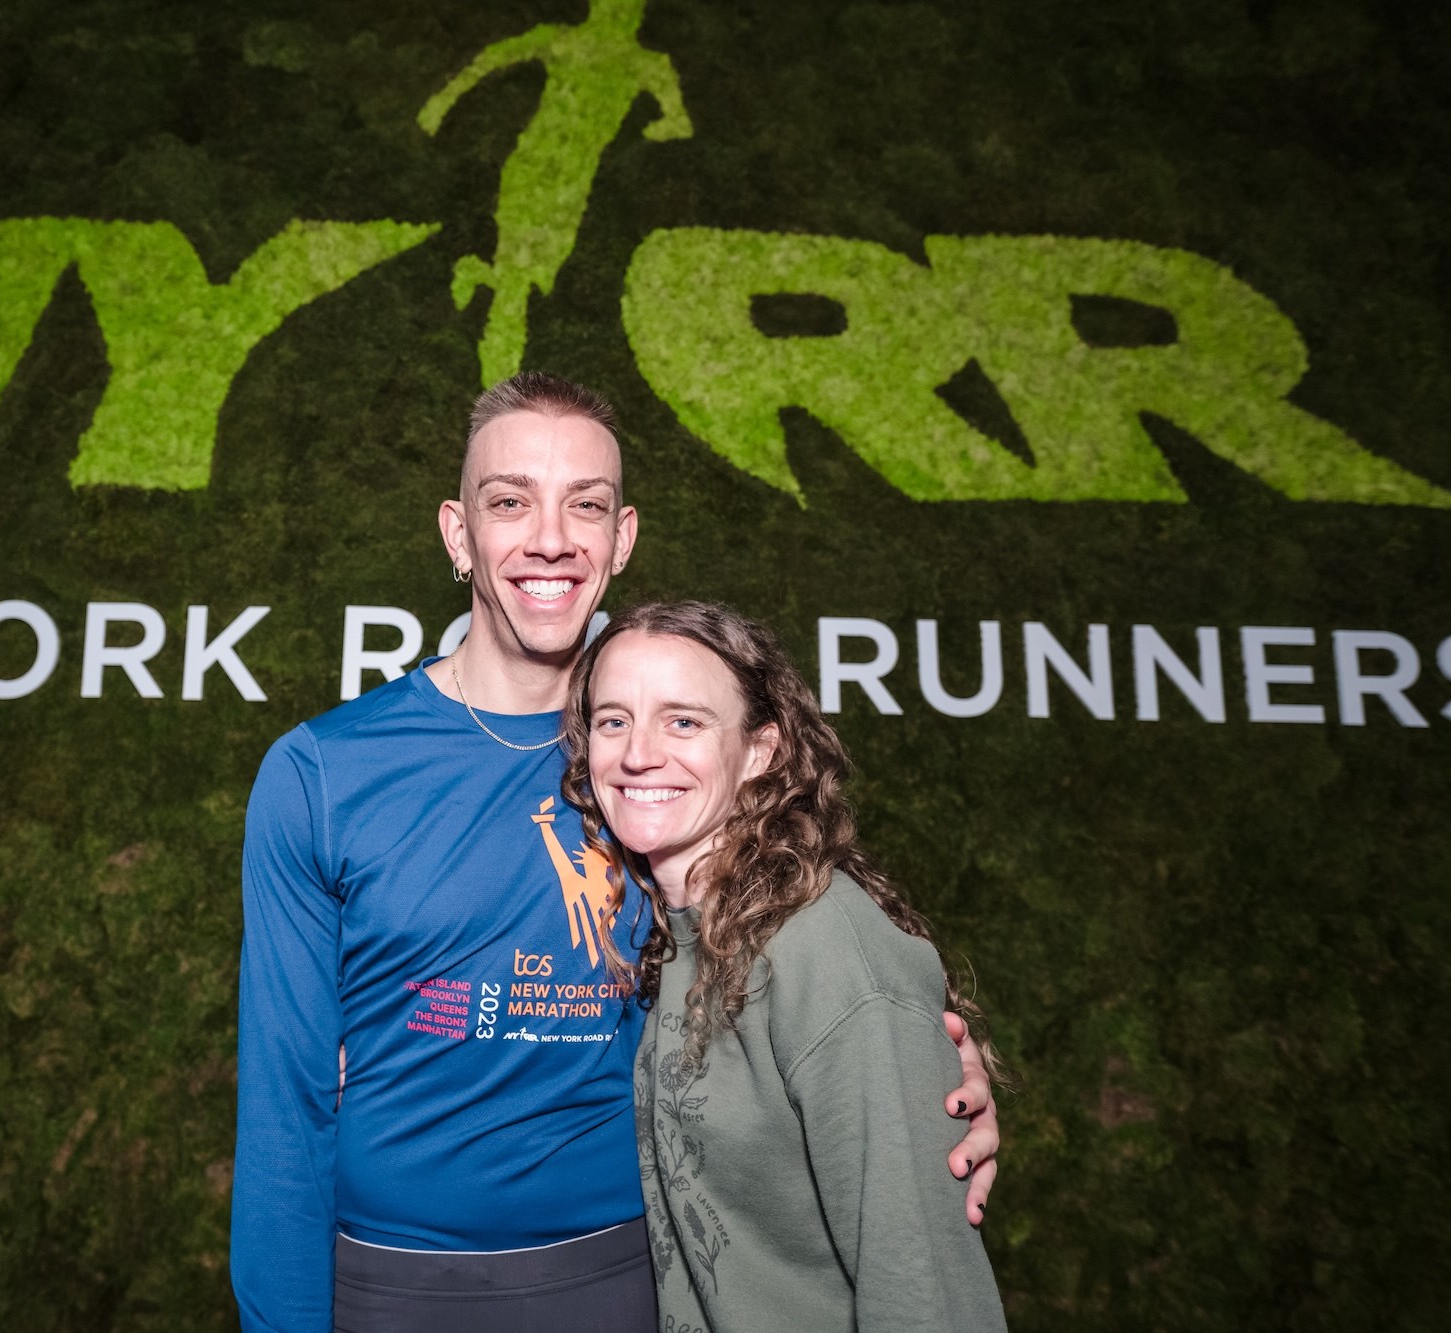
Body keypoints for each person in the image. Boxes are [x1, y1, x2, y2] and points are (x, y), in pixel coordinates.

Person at [231, 374, 999, 1332]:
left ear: (622, 537)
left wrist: (919, 1088)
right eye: (509, 501)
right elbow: (283, 1108)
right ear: (457, 534)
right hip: (391, 1284)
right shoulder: (324, 773)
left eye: (584, 505)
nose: (549, 537)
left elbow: (812, 942)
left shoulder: (665, 771)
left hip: (638, 1278)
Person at [563, 600, 1007, 1330]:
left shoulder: (825, 947)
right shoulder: (662, 931)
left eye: (683, 721)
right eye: (614, 719)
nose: (638, 752)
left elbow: (925, 1288)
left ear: (762, 750)